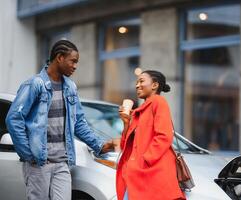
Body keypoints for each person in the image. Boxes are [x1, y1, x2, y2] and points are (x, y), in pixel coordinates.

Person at [5, 40, 114, 200]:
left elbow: (79, 123)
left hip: (62, 163)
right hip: (39, 163)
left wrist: (98, 145)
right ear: (59, 57)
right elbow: (14, 119)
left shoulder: (70, 87)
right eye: (73, 61)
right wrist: (28, 155)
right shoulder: (35, 84)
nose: (75, 66)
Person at [116, 70, 186, 200]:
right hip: (138, 175)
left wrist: (145, 160)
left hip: (152, 173)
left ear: (154, 85)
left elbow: (164, 136)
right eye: (137, 82)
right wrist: (126, 123)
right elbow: (124, 145)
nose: (137, 85)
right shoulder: (139, 112)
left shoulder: (158, 102)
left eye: (141, 81)